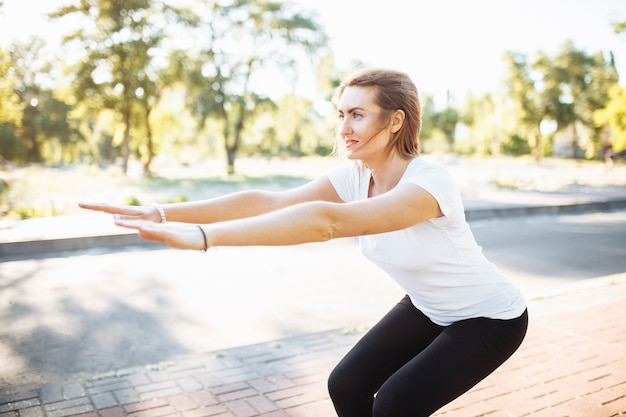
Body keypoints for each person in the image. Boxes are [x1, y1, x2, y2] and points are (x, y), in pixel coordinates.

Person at [80, 67, 528, 417]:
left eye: (357, 114)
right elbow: (266, 200)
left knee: (395, 407)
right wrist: (162, 212)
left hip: (489, 317)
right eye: (341, 114)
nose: (344, 127)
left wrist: (204, 238)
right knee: (346, 386)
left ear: (394, 121)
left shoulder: (429, 184)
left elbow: (327, 223)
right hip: (429, 306)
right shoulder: (355, 177)